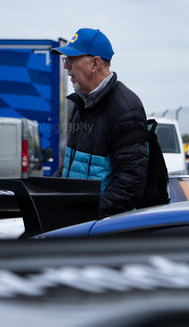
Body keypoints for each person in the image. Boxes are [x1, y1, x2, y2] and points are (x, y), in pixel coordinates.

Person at [52, 28, 151, 218]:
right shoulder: (81, 102)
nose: (66, 67)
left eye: (71, 59)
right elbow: (69, 167)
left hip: (102, 231)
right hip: (77, 225)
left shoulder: (126, 109)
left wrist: (86, 216)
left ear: (95, 63)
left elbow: (130, 184)